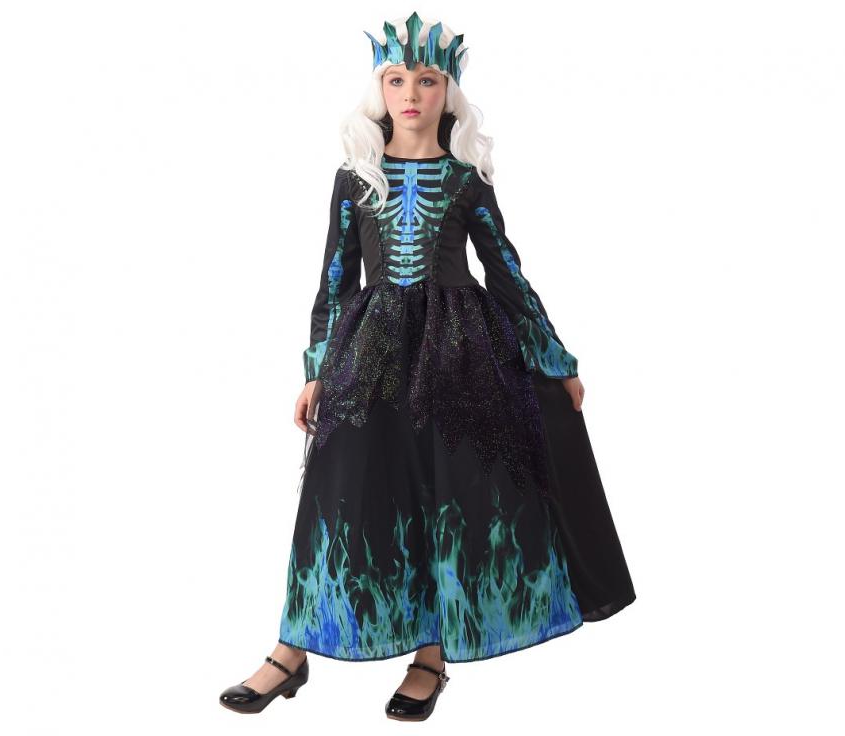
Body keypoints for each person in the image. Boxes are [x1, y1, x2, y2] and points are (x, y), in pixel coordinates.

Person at [219, 11, 636, 721]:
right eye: (396, 79)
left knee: (444, 496)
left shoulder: (466, 178)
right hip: (371, 352)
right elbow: (334, 278)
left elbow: (505, 271)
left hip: (458, 351)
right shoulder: (356, 177)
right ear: (379, 90)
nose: (411, 93)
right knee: (335, 491)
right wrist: (318, 367)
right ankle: (291, 650)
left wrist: (554, 357)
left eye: (427, 80)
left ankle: (431, 656)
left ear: (449, 91)